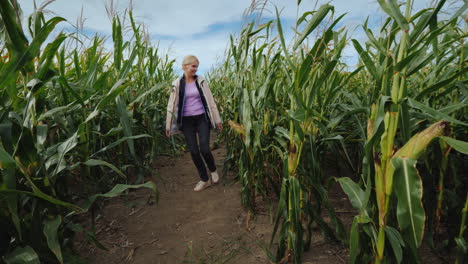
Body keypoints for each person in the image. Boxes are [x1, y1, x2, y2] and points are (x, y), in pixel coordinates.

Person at [165, 55, 223, 192]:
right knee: (193, 151)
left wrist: (217, 119)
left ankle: (213, 170)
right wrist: (168, 125)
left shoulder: (201, 81)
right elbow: (171, 105)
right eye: (193, 66)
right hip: (187, 121)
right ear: (185, 66)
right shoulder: (177, 83)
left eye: (196, 66)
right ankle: (204, 179)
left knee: (205, 149)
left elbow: (211, 102)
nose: (195, 69)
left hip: (202, 118)